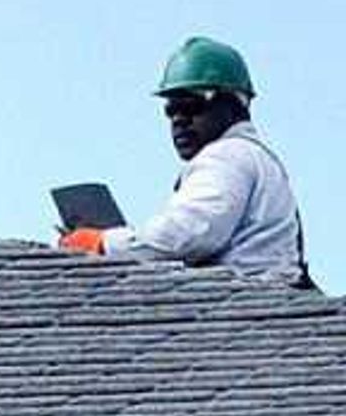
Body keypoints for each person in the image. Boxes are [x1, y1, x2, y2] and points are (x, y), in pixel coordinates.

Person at [61, 38, 309, 286]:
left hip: (238, 301)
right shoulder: (258, 159)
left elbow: (189, 233)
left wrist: (104, 243)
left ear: (233, 107)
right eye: (171, 110)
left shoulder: (227, 156)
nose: (179, 120)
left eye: (191, 106)